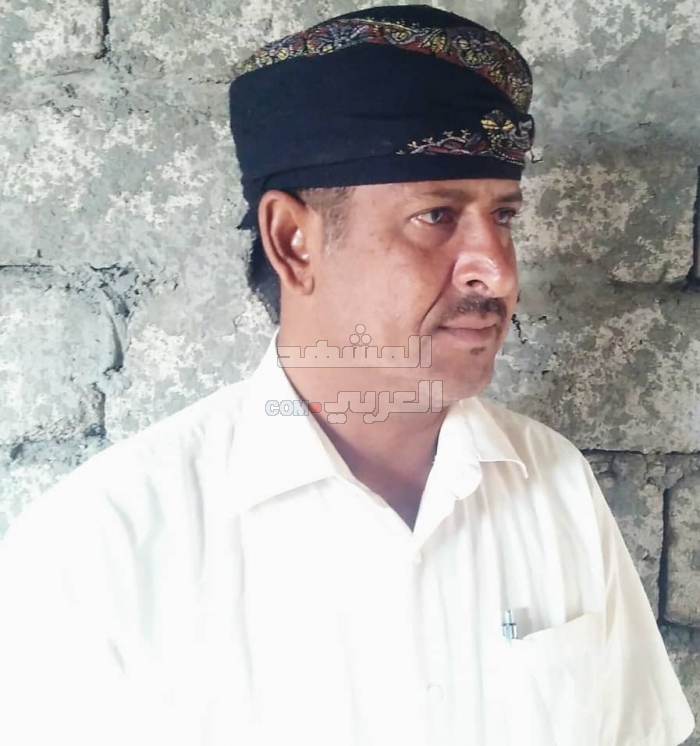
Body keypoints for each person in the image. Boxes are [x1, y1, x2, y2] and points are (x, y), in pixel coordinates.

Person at [0, 5, 694, 746]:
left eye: (505, 217)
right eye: (436, 215)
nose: (496, 272)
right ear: (293, 241)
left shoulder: (554, 484)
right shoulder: (101, 548)